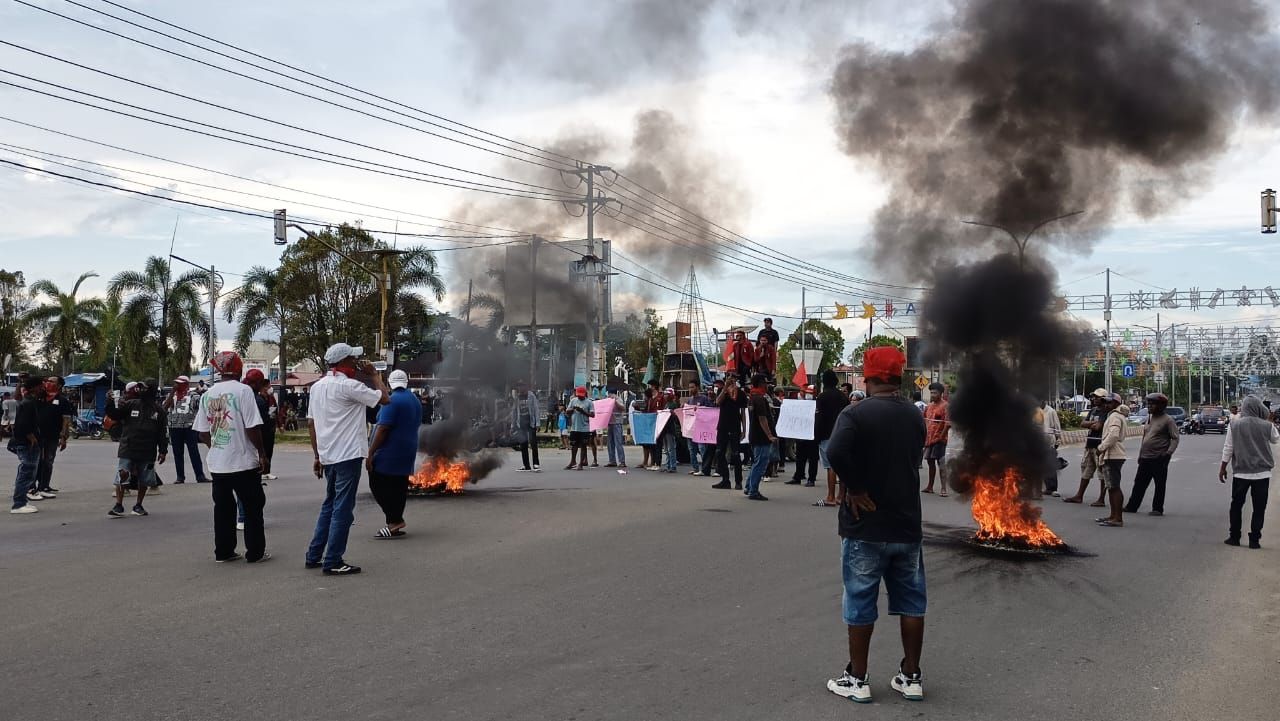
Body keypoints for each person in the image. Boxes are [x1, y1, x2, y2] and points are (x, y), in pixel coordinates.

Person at [825, 346, 927, 703]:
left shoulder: (854, 414)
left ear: (867, 378)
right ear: (898, 377)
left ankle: (857, 678)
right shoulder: (915, 416)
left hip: (865, 525)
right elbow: (916, 458)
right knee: (912, 602)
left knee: (860, 599)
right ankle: (911, 676)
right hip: (906, 525)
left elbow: (835, 452)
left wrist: (855, 487)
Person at [305, 343, 390, 576]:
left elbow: (312, 423)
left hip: (329, 455)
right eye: (353, 359)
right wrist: (374, 375)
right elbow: (385, 398)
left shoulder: (318, 387)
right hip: (348, 455)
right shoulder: (349, 386)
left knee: (329, 504)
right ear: (344, 362)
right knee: (343, 508)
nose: (356, 362)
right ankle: (333, 560)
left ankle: (314, 555)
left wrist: (317, 455)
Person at [194, 353, 269, 564]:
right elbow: (252, 427)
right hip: (243, 461)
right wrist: (262, 454)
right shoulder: (244, 391)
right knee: (253, 507)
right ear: (238, 369)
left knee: (223, 509)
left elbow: (202, 432)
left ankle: (224, 552)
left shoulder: (207, 394)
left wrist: (216, 447)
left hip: (218, 464)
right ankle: (255, 553)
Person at [367, 369, 421, 540]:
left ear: (390, 383)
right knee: (398, 487)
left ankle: (394, 520)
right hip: (408, 449)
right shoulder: (414, 399)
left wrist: (370, 453)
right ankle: (395, 522)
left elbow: (383, 429)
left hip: (390, 451)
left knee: (377, 483)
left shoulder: (392, 401)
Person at [1219, 395, 1276, 548]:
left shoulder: (1234, 425)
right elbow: (1275, 439)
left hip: (1241, 473)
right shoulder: (1266, 426)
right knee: (1259, 507)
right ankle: (1254, 540)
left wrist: (1223, 468)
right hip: (1262, 474)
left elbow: (1228, 448)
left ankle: (1234, 537)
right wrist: (1268, 421)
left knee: (1236, 505)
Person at [105, 381, 168, 518]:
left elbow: (162, 433)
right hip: (128, 447)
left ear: (151, 390)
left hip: (148, 449)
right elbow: (115, 415)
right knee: (122, 475)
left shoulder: (159, 411)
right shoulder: (131, 404)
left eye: (144, 387)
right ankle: (118, 505)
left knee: (144, 479)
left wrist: (163, 451)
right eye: (140, 387)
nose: (141, 389)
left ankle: (138, 505)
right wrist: (109, 402)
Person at [1124, 393, 1179, 516]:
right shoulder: (1150, 418)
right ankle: (1132, 506)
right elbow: (1145, 437)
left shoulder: (1168, 420)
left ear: (1161, 405)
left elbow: (1175, 438)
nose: (1149, 406)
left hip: (1159, 457)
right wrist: (1140, 454)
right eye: (1149, 403)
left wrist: (1168, 453)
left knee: (1159, 484)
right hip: (1145, 457)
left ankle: (1157, 508)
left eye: (1152, 404)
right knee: (1139, 483)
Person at [1063, 389, 1110, 506]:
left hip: (1099, 445)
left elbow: (1099, 427)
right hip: (1090, 444)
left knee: (1101, 472)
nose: (1094, 399)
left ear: (1104, 399)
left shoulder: (1106, 412)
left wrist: (1091, 424)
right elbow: (1082, 423)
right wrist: (1091, 424)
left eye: (1097, 397)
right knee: (1086, 470)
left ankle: (1101, 499)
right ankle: (1079, 495)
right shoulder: (1093, 410)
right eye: (1094, 397)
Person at [813, 369, 850, 508]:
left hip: (827, 434)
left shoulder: (822, 397)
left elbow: (819, 418)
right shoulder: (843, 396)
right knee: (842, 467)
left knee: (830, 466)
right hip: (842, 434)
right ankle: (841, 496)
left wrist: (816, 436)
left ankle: (830, 496)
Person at [8, 377, 45, 514]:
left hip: (27, 442)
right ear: (34, 387)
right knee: (27, 472)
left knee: (27, 472)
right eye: (40, 386)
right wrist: (31, 437)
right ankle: (19, 504)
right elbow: (23, 424)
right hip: (27, 443)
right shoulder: (28, 403)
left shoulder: (31, 401)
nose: (43, 388)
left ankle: (21, 501)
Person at [163, 375, 208, 484]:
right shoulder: (171, 395)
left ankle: (200, 475)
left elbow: (202, 408)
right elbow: (164, 408)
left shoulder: (194, 396)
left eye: (179, 383)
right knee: (177, 453)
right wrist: (173, 392)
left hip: (189, 427)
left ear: (185, 384)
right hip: (174, 427)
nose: (176, 385)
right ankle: (180, 476)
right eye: (176, 383)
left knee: (194, 452)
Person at [34, 376, 74, 497]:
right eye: (47, 381)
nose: (48, 383)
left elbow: (66, 420)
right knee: (36, 461)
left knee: (48, 461)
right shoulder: (39, 398)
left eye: (51, 381)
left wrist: (64, 437)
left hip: (52, 436)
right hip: (37, 436)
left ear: (59, 385)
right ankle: (32, 487)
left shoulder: (63, 401)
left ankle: (44, 485)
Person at [1095, 393, 1129, 527]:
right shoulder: (1114, 415)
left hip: (1113, 455)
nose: (1105, 405)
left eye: (1109, 402)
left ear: (1116, 404)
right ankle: (1113, 515)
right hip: (1113, 455)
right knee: (1111, 487)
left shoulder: (1115, 416)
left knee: (1114, 487)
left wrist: (1101, 448)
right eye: (1105, 402)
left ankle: (1118, 518)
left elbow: (1113, 435)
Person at [744, 374, 777, 501]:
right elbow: (762, 419)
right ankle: (753, 490)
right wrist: (769, 435)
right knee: (760, 464)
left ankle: (749, 487)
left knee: (756, 463)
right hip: (761, 436)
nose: (767, 385)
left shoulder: (752, 397)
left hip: (755, 435)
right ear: (761, 383)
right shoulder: (759, 399)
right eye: (765, 382)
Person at [710, 377, 746, 490]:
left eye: (733, 380)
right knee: (720, 453)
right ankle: (725, 479)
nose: (731, 382)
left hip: (735, 426)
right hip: (723, 427)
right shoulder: (723, 391)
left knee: (735, 455)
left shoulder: (740, 393)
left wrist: (744, 430)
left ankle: (738, 481)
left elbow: (743, 412)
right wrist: (725, 388)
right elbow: (717, 402)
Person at [921, 383, 949, 496]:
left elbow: (947, 424)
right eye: (931, 392)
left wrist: (941, 437)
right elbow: (923, 421)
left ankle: (943, 489)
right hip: (929, 440)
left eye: (935, 392)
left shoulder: (946, 406)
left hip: (940, 440)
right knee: (930, 463)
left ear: (941, 393)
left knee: (941, 463)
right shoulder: (928, 406)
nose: (932, 394)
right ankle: (930, 486)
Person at [511, 380, 542, 472]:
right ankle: (526, 465)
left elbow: (536, 409)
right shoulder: (517, 397)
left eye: (521, 386)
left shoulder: (531, 396)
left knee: (533, 444)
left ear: (526, 387)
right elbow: (514, 411)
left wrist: (538, 423)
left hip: (530, 423)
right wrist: (513, 425)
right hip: (521, 423)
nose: (520, 388)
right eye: (518, 386)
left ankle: (536, 464)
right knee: (523, 445)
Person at [565, 386, 594, 470]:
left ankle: (581, 463)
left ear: (585, 394)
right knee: (574, 445)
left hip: (584, 427)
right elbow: (567, 411)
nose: (580, 396)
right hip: (574, 427)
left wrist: (583, 411)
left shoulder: (589, 402)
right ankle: (573, 461)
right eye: (578, 395)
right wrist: (573, 409)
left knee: (583, 445)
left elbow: (592, 415)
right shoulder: (573, 400)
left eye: (581, 395)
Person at [684, 381, 711, 474]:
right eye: (689, 387)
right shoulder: (689, 400)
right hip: (690, 429)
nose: (690, 389)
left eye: (692, 387)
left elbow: (709, 412)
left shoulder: (704, 399)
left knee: (702, 448)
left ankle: (705, 468)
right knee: (691, 450)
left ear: (697, 387)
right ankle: (695, 468)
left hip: (701, 428)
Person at [1041, 398, 1062, 497]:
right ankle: (1043, 487)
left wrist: (1058, 440)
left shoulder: (1051, 411)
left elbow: (1057, 427)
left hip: (1049, 443)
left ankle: (1053, 489)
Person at [605, 389, 627, 468]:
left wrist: (615, 401)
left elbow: (623, 408)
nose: (609, 395)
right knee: (610, 443)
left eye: (610, 394)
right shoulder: (608, 400)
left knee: (618, 442)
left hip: (617, 423)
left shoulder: (618, 399)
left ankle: (622, 461)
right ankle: (612, 460)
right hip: (610, 423)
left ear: (613, 394)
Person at [661, 388, 680, 473]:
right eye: (664, 394)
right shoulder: (666, 404)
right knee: (666, 449)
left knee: (671, 448)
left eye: (667, 394)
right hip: (665, 429)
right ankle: (668, 465)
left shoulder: (673, 404)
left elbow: (676, 417)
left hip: (670, 429)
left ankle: (673, 466)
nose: (665, 396)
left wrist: (673, 413)